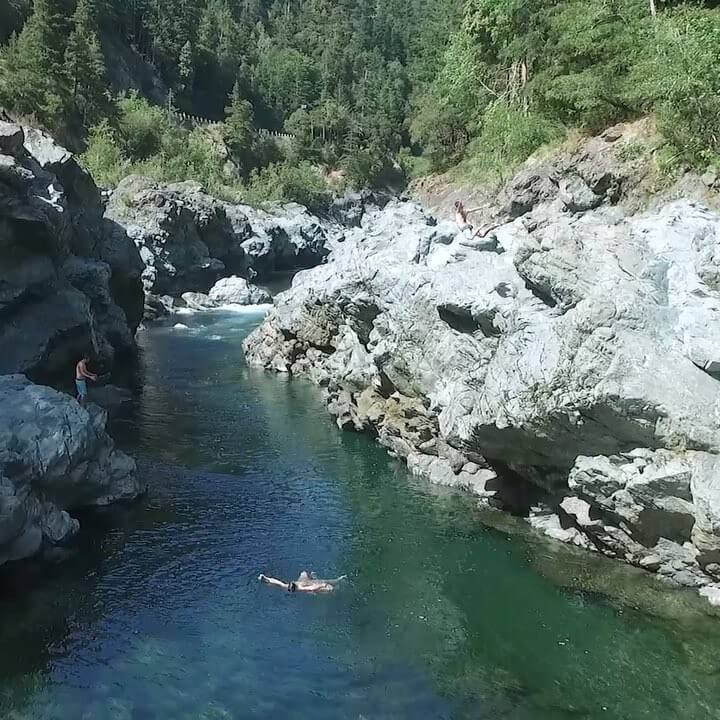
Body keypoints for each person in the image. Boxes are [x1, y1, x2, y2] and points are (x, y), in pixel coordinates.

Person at [258, 571, 347, 594]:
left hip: (305, 582)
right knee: (329, 587)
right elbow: (311, 588)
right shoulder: (300, 588)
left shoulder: (288, 586)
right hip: (310, 586)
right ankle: (338, 581)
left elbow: (278, 583)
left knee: (304, 573)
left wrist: (266, 579)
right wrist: (321, 585)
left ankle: (337, 581)